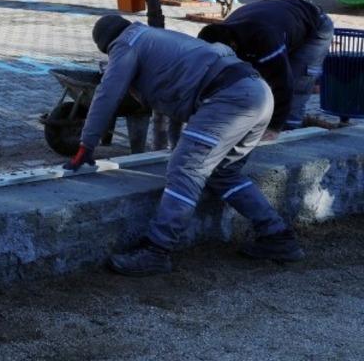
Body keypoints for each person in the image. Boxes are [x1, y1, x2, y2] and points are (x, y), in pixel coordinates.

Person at [65, 15, 303, 276]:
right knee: (224, 173)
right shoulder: (154, 37)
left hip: (229, 98)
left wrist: (86, 145)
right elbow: (186, 86)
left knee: (185, 169)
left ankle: (157, 250)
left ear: (107, 45)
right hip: (257, 92)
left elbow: (107, 93)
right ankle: (277, 236)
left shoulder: (125, 44)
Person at [197, 0, 334, 134]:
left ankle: (289, 131)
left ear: (232, 46)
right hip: (283, 21)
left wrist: (274, 128)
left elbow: (283, 83)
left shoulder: (264, 39)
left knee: (298, 82)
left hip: (315, 26)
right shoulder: (221, 34)